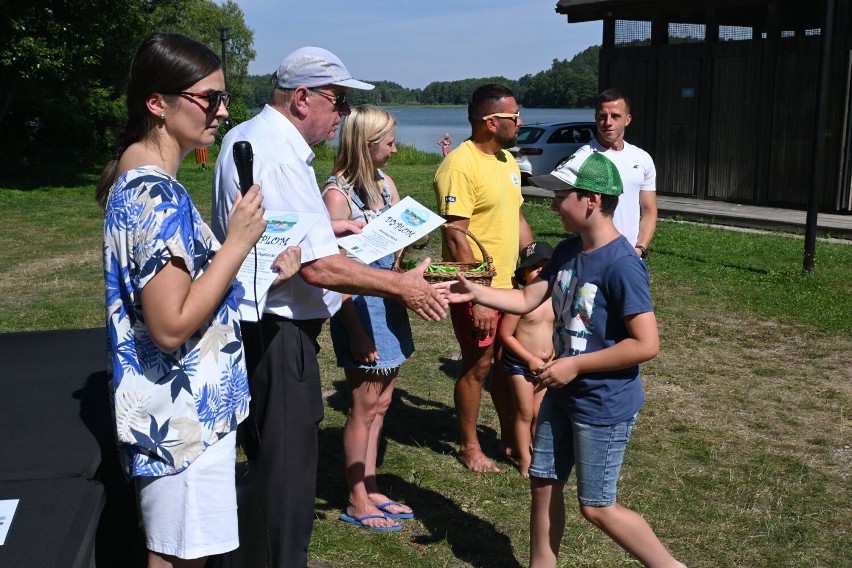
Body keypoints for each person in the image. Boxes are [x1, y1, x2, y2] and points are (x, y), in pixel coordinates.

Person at [211, 47, 447, 567]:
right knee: (289, 472)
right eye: (336, 101)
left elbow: (284, 237)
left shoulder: (252, 139)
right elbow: (318, 268)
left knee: (272, 460)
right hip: (278, 330)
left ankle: (263, 552)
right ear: (301, 99)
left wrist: (331, 229)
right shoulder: (275, 153)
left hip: (266, 324)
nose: (342, 115)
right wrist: (401, 285)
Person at [96, 32, 301, 568]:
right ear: (157, 103)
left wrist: (262, 273)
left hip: (183, 412)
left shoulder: (143, 180)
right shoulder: (153, 194)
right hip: (182, 418)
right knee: (179, 558)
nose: (223, 110)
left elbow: (189, 297)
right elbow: (170, 324)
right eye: (209, 97)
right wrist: (235, 242)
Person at [437, 151, 685, 568]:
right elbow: (526, 297)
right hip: (561, 395)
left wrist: (575, 365)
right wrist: (476, 292)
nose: (552, 205)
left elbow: (646, 344)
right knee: (543, 482)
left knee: (597, 506)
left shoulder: (623, 265)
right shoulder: (569, 250)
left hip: (601, 402)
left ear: (590, 200)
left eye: (560, 196)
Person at [321, 105, 415, 532]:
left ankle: (372, 484)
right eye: (389, 143)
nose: (395, 150)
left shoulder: (385, 184)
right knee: (362, 405)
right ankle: (357, 497)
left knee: (383, 400)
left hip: (387, 300)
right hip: (358, 308)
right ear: (368, 144)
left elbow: (392, 248)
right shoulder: (337, 196)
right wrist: (356, 333)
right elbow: (334, 272)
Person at [433, 83, 534, 473]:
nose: (520, 122)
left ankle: (510, 437)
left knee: (508, 361)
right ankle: (469, 446)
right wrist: (478, 297)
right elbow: (456, 236)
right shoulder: (459, 165)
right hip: (478, 287)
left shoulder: (507, 161)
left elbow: (517, 216)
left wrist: (533, 261)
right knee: (478, 363)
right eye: (513, 117)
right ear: (491, 122)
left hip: (510, 285)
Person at [573, 88, 657, 260]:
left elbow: (649, 210)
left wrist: (639, 249)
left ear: (628, 119)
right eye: (602, 116)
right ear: (596, 118)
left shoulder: (642, 158)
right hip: (593, 256)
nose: (607, 122)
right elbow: (572, 212)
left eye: (615, 116)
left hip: (632, 258)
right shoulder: (582, 158)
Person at [498, 241, 554, 477]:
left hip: (546, 365)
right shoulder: (519, 301)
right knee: (524, 411)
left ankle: (539, 453)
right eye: (534, 267)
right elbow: (505, 335)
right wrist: (529, 358)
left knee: (540, 413)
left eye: (546, 266)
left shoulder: (556, 298)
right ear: (523, 273)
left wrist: (555, 357)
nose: (540, 270)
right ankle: (524, 459)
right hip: (521, 365)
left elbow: (558, 331)